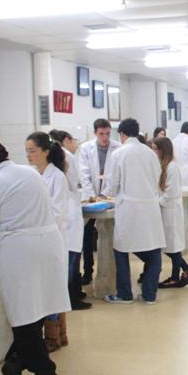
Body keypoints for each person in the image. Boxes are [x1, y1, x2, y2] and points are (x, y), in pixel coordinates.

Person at [0, 141, 69, 375]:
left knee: (23, 317)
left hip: (19, 252)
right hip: (48, 244)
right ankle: (16, 362)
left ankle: (45, 373)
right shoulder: (31, 173)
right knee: (37, 311)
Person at [104, 118, 166, 305]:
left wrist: (108, 194)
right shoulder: (150, 153)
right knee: (153, 250)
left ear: (122, 134)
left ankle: (125, 294)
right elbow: (157, 177)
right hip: (150, 206)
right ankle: (149, 294)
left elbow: (113, 184)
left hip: (129, 208)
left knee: (121, 250)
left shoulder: (119, 153)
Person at [25, 132, 71, 352]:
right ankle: (59, 334)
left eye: (32, 151)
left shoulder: (57, 177)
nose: (29, 155)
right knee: (45, 288)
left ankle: (54, 336)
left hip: (52, 238)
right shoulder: (33, 175)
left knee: (52, 288)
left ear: (46, 151)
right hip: (38, 238)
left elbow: (57, 212)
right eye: (27, 151)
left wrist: (33, 217)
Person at [49, 130, 90, 311]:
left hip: (67, 214)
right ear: (65, 140)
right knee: (71, 259)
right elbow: (74, 183)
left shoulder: (53, 167)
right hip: (69, 213)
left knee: (71, 258)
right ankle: (71, 297)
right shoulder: (67, 158)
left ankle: (74, 293)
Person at [152, 137, 188, 289]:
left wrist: (157, 202)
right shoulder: (163, 165)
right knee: (169, 245)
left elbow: (170, 192)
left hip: (170, 210)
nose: (153, 152)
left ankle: (182, 272)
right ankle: (180, 273)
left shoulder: (172, 167)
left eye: (155, 149)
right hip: (166, 209)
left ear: (162, 150)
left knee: (170, 245)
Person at [78, 119, 121, 285]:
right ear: (95, 133)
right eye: (101, 134)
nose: (105, 137)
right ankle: (88, 271)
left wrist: (104, 195)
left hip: (108, 197)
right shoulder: (86, 148)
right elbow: (84, 174)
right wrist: (92, 196)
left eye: (108, 134)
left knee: (109, 234)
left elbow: (115, 176)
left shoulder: (117, 148)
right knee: (87, 235)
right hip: (90, 197)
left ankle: (109, 271)